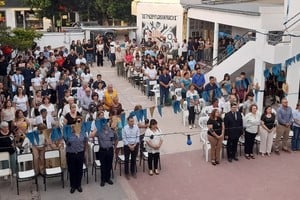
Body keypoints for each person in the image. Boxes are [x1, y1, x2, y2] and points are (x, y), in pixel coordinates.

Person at [90, 121, 117, 187]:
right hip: (102, 150)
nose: (105, 124)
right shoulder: (99, 131)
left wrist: (115, 147)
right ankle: (103, 180)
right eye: (103, 123)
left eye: (106, 122)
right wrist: (97, 128)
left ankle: (108, 178)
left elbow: (116, 139)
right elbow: (91, 136)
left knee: (109, 165)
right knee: (103, 166)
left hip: (110, 149)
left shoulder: (112, 131)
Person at [65, 123, 88, 193]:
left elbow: (85, 142)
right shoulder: (68, 134)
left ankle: (78, 185)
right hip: (71, 154)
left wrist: (85, 151)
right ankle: (73, 186)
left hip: (80, 153)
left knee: (79, 170)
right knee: (72, 170)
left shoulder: (83, 134)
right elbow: (66, 141)